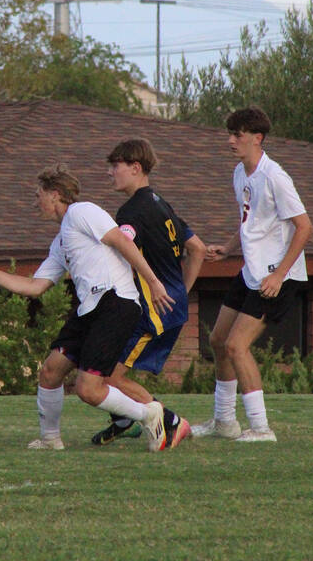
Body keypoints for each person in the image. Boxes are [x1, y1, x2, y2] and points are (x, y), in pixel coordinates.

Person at [0, 163, 173, 451]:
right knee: (50, 371)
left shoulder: (82, 212)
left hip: (115, 302)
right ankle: (50, 439)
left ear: (54, 194)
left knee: (88, 390)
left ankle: (149, 414)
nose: (34, 201)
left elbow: (122, 241)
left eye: (37, 193)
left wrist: (153, 282)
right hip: (89, 309)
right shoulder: (61, 240)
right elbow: (36, 286)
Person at [195, 106, 313, 442]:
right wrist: (230, 248)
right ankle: (224, 422)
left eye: (239, 135)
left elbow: (304, 228)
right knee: (218, 340)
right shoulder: (239, 173)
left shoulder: (275, 176)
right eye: (230, 134)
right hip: (251, 272)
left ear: (257, 138)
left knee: (236, 346)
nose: (231, 140)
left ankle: (261, 429)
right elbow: (252, 223)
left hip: (277, 277)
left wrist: (279, 275)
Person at [89, 138, 207, 449]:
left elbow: (124, 244)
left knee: (108, 378)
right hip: (169, 303)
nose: (110, 173)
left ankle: (170, 421)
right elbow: (197, 249)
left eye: (116, 166)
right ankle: (124, 421)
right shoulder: (161, 203)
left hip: (154, 309)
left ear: (135, 167)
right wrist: (181, 291)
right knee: (103, 364)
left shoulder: (132, 211)